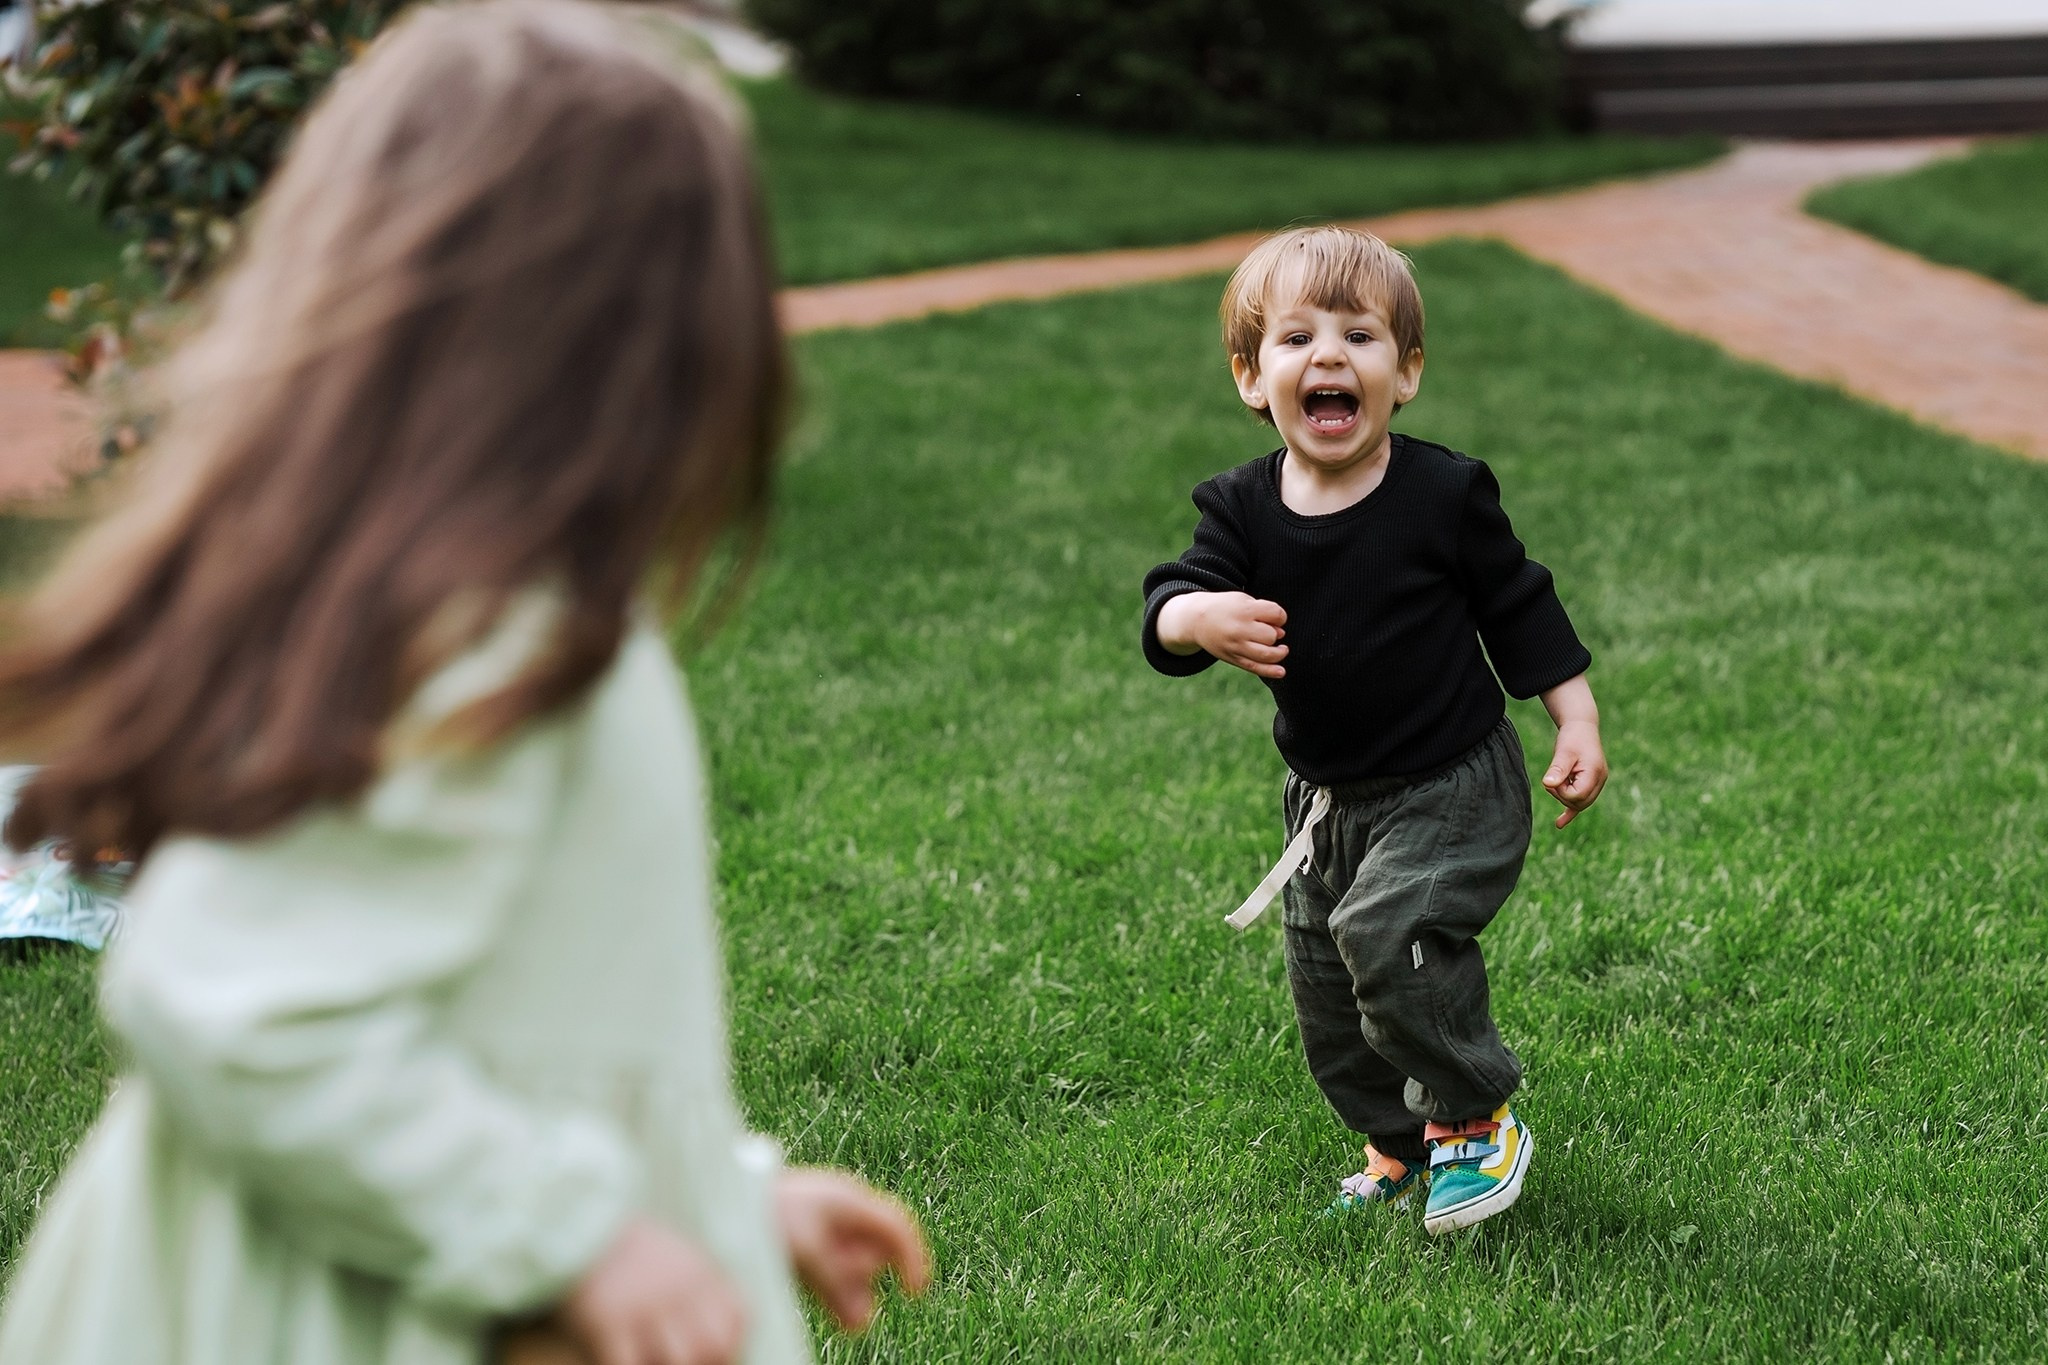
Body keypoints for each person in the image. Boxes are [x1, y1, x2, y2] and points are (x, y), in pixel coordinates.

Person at [0, 4, 927, 1363]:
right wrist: (570, 1234)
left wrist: (715, 1199)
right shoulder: (478, 644)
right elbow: (233, 1007)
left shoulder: (461, 609)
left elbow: (520, 1028)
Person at [1139, 226, 1608, 1235]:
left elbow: (1519, 605)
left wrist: (1574, 717)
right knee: (1325, 990)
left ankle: (1474, 1119)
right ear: (1251, 377)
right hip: (1326, 803)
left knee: (1387, 937)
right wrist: (1196, 617)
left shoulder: (1442, 493)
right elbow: (1169, 599)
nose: (1330, 356)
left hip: (1451, 782)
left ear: (1405, 373)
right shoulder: (1240, 508)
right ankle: (1397, 1145)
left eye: (1359, 335)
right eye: (1296, 338)